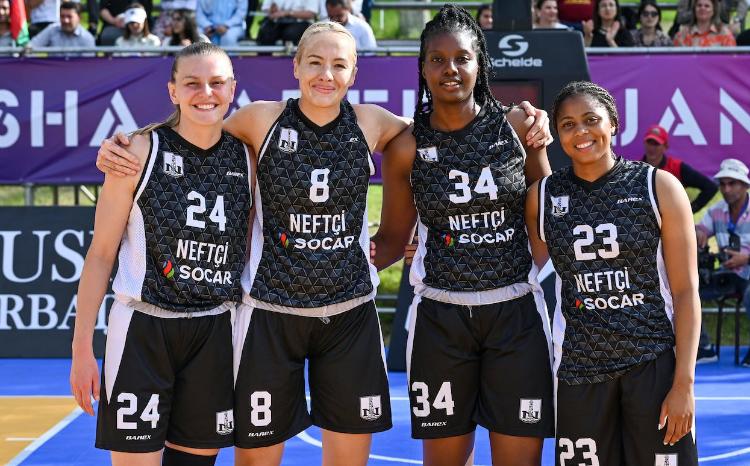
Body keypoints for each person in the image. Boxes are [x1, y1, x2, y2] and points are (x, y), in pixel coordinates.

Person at [96, 20, 553, 466]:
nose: (325, 74)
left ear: (354, 73)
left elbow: (448, 127)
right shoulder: (261, 119)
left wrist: (529, 118)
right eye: (314, 62)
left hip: (349, 313)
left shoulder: (373, 123)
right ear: (295, 66)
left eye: (338, 65)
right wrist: (132, 142)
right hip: (271, 311)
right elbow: (198, 123)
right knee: (255, 457)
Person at [372, 5, 555, 466]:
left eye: (461, 58)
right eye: (437, 59)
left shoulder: (519, 127)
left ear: (480, 64)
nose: (450, 69)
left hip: (516, 314)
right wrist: (323, 260)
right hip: (440, 318)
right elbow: (391, 240)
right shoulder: (406, 148)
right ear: (422, 68)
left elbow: (550, 217)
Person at [70, 42, 254, 466]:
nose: (205, 93)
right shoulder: (138, 151)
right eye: (192, 83)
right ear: (173, 91)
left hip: (214, 330)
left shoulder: (247, 158)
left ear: (232, 89)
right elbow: (100, 254)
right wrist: (81, 350)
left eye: (217, 83)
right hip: (143, 329)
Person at [526, 81, 700, 465]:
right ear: (557, 134)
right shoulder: (543, 197)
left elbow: (686, 292)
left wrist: (684, 384)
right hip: (579, 369)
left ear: (614, 124)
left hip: (652, 363)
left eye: (591, 120)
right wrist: (424, 243)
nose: (581, 131)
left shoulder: (658, 187)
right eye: (568, 124)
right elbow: (514, 262)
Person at [696, 158, 750, 368]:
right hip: (725, 274)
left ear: (744, 185)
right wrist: (698, 232)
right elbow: (701, 228)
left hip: (748, 275)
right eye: (723, 184)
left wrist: (746, 258)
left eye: (732, 183)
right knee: (684, 293)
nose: (726, 189)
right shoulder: (716, 210)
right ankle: (704, 348)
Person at [641, 125, 718, 213]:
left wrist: (688, 211)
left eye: (656, 144)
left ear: (665, 146)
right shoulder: (635, 168)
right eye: (649, 142)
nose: (651, 148)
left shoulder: (677, 167)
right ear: (644, 143)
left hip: (671, 219)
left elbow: (710, 187)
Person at [28, 1, 95, 48]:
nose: (65, 20)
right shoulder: (52, 30)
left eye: (69, 17)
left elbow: (89, 63)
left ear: (79, 18)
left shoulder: (87, 38)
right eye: (62, 16)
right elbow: (31, 46)